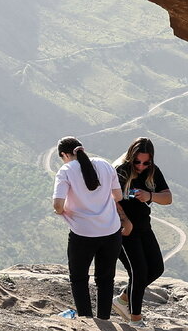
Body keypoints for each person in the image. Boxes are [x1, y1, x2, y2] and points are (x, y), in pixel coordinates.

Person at [52, 136, 132, 320]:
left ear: (64, 155)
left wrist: (65, 211)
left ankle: (86, 319)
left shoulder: (65, 170)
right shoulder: (105, 164)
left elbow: (57, 205)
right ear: (82, 148)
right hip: (111, 232)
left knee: (79, 278)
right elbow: (118, 196)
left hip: (83, 234)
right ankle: (104, 319)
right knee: (105, 279)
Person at [111, 137, 173, 327]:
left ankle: (122, 300)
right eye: (137, 161)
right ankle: (135, 318)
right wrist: (125, 221)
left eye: (146, 162)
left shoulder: (152, 171)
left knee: (156, 268)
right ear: (131, 157)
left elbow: (168, 198)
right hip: (125, 230)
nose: (141, 165)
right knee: (139, 271)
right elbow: (109, 199)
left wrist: (150, 196)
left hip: (144, 226)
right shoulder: (120, 170)